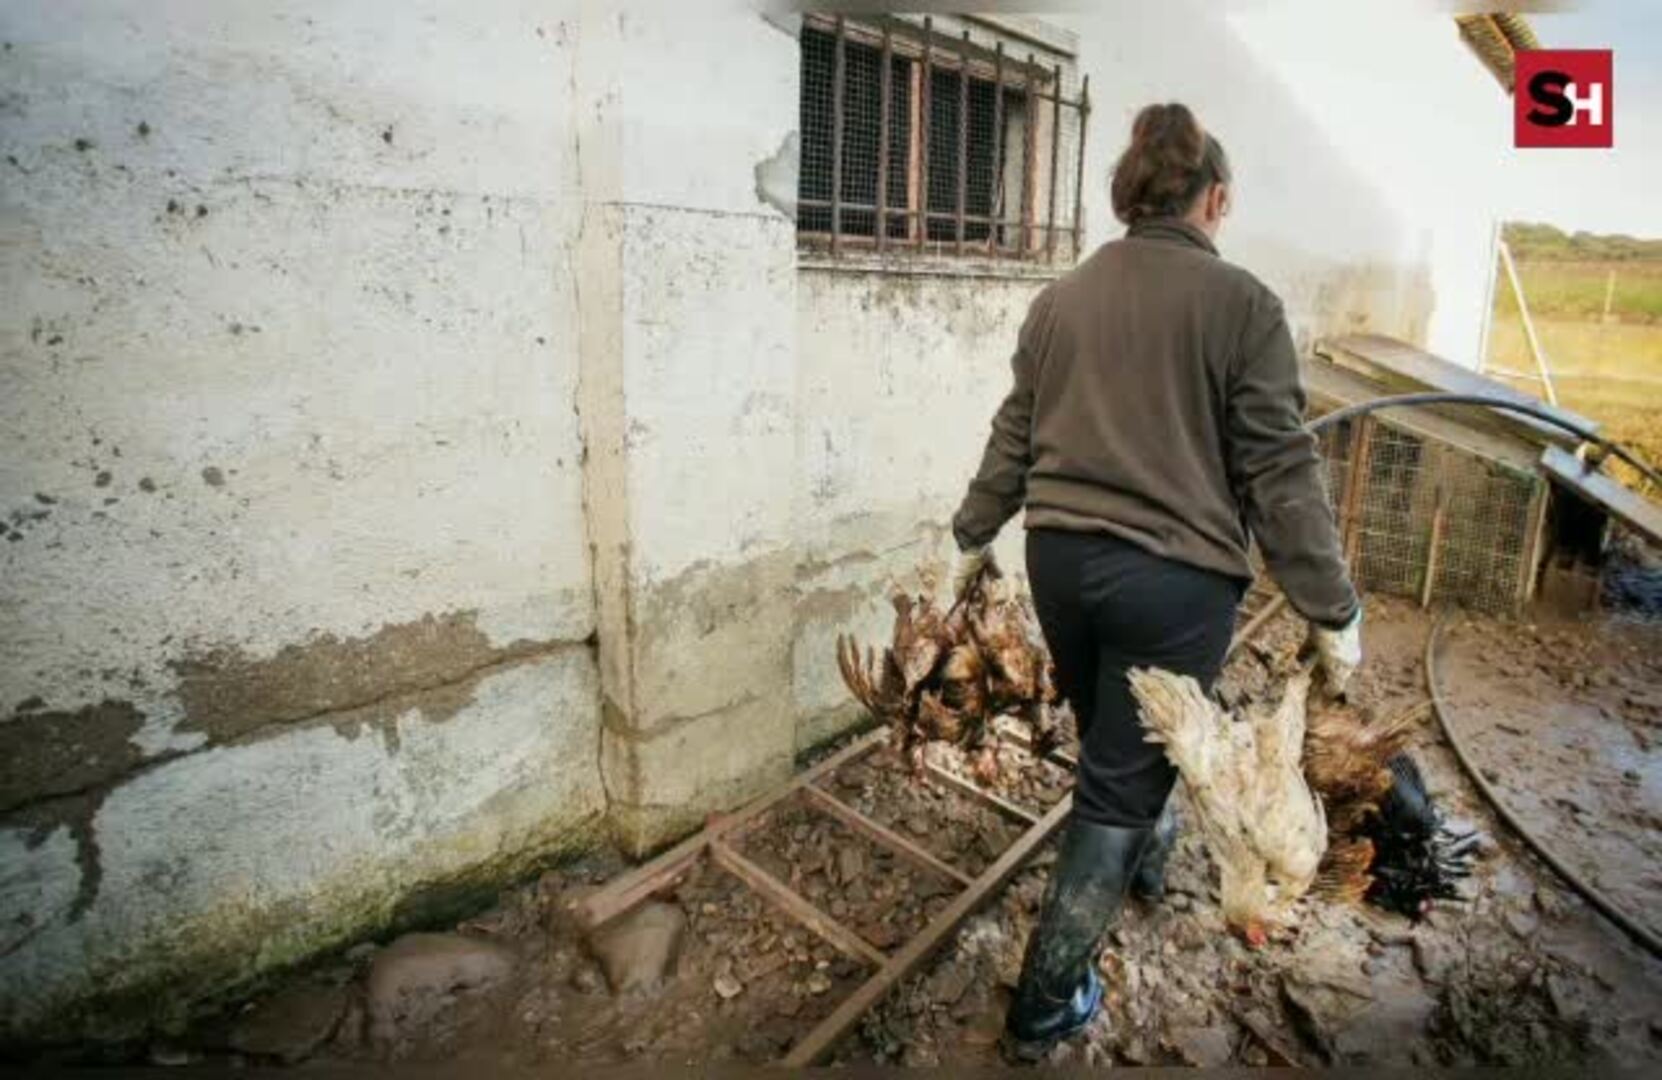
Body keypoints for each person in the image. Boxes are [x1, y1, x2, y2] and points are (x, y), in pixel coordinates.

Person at [948, 102, 1363, 1062]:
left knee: (1117, 739)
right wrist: (1331, 609)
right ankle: (1048, 1002)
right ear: (1215, 199)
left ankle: (1144, 859)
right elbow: (1279, 471)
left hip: (1060, 561)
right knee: (1119, 785)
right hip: (1173, 585)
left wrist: (972, 535)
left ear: (1133, 198)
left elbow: (1016, 431)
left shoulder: (1059, 302)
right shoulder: (1245, 306)